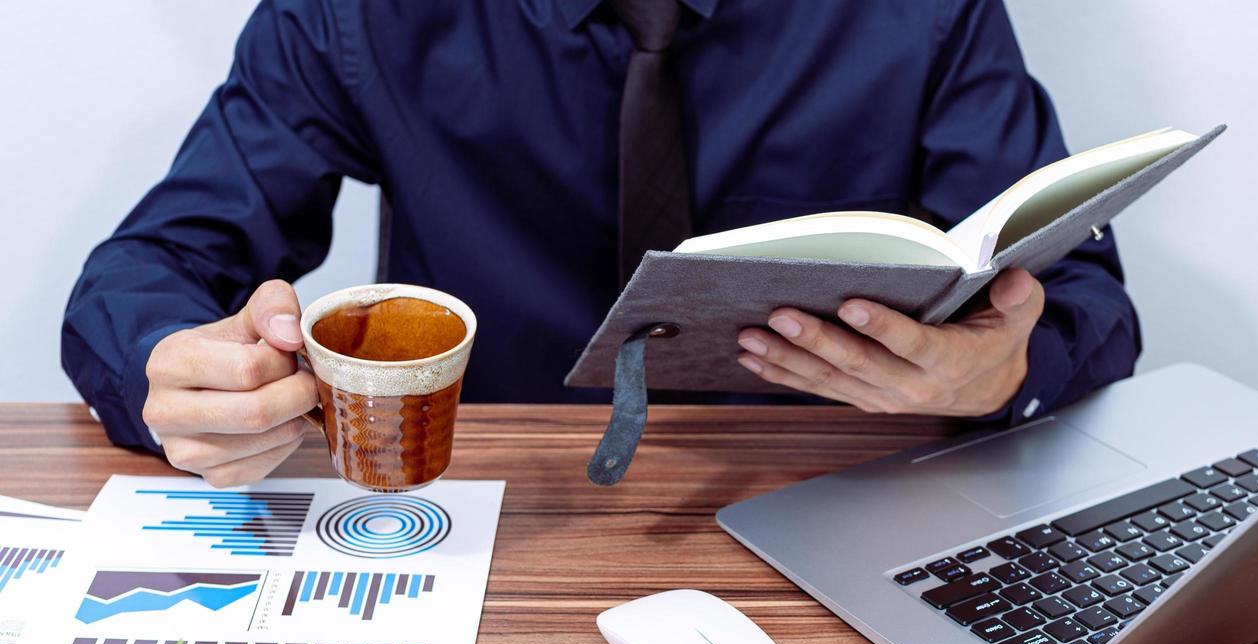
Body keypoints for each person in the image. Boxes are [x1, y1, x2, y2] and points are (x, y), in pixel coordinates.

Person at [62, 0, 1140, 487]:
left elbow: (1086, 297)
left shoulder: (925, 12)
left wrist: (1008, 368)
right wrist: (172, 370)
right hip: (486, 525)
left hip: (841, 511)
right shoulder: (358, 13)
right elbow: (145, 270)